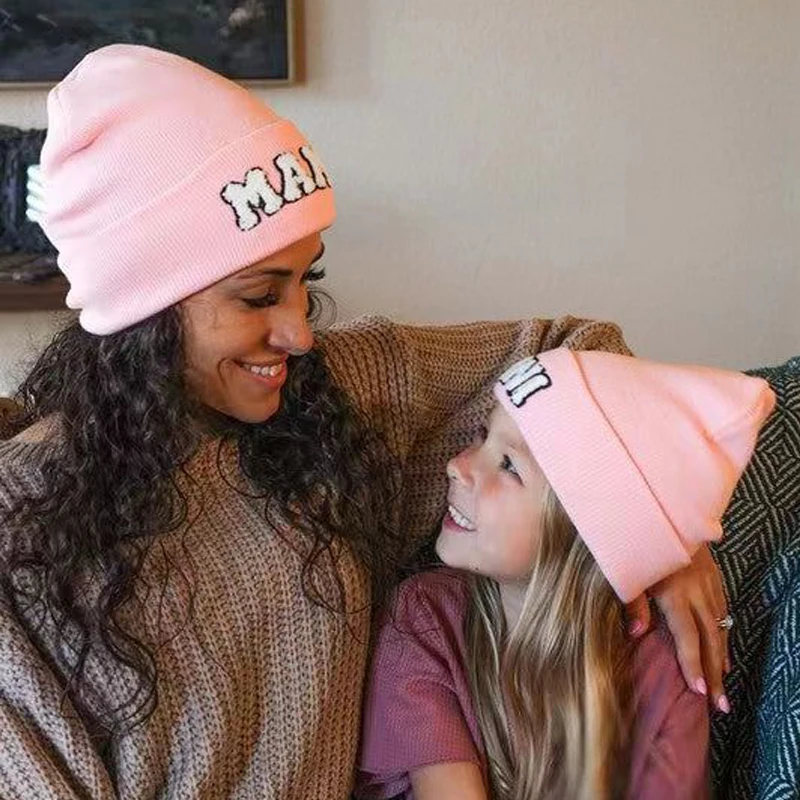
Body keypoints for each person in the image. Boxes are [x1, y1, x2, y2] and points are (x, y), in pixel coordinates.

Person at [0, 45, 730, 799]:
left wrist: (648, 528)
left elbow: (579, 351)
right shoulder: (20, 533)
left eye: (305, 280)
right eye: (259, 296)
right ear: (143, 308)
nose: (300, 333)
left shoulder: (340, 391)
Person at [356, 350, 775, 799]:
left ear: (584, 537)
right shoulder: (424, 620)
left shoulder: (661, 675)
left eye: (508, 465)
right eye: (482, 437)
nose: (457, 465)